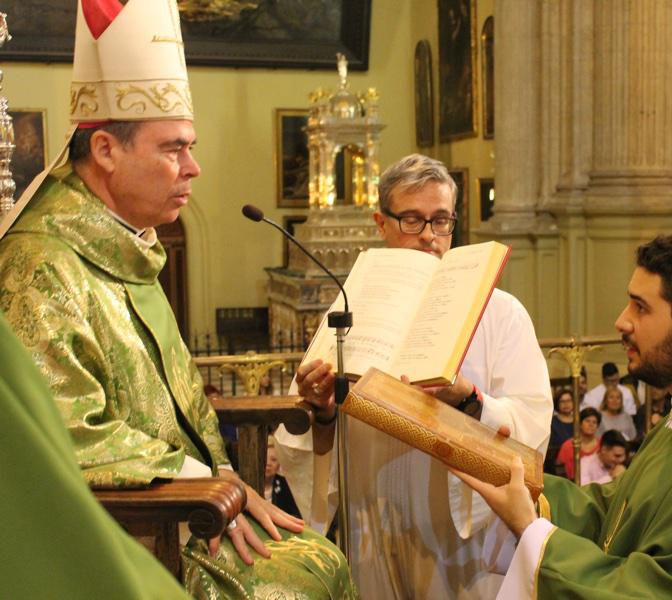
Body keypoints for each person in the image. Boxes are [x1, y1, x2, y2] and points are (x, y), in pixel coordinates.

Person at [0, 1, 353, 598]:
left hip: (188, 505)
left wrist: (219, 476)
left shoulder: (123, 244)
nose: (194, 168)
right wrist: (205, 486)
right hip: (127, 532)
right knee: (305, 579)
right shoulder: (41, 263)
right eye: (173, 148)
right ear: (107, 150)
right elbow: (63, 436)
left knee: (322, 558)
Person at [457, 231, 672, 598]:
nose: (621, 322)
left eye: (640, 307)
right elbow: (614, 514)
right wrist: (512, 477)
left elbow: (653, 593)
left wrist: (532, 531)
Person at [275, 153, 553, 599]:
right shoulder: (348, 313)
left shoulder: (502, 314)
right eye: (412, 220)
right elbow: (311, 445)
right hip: (373, 528)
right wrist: (322, 409)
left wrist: (469, 398)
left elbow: (533, 423)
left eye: (440, 221)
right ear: (381, 223)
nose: (428, 236)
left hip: (463, 543)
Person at [0, 310, 191, 599]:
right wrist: (202, 477)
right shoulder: (43, 276)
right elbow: (73, 431)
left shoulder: (141, 279)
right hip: (154, 521)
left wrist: (222, 468)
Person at [554, 407, 602, 482]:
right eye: (587, 421)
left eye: (594, 422)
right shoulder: (568, 446)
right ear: (579, 424)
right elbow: (560, 471)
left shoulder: (602, 445)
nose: (591, 424)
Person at [543, 388, 575, 473]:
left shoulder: (579, 421)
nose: (566, 404)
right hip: (558, 465)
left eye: (569, 400)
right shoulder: (551, 422)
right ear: (557, 403)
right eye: (562, 401)